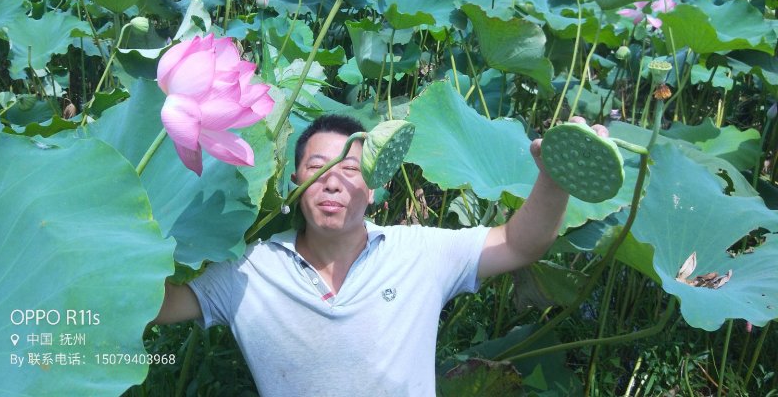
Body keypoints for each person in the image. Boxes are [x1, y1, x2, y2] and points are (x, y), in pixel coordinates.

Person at [154, 113, 607, 396]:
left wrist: (554, 178)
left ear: (372, 190)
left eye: (350, 169)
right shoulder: (248, 270)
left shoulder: (419, 252)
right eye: (317, 167)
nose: (332, 180)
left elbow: (518, 244)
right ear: (295, 183)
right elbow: (157, 305)